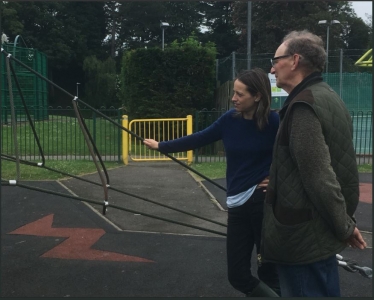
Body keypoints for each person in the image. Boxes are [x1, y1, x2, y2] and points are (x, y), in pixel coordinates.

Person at [144, 68, 280, 297]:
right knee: (237, 275)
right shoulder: (230, 120)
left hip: (262, 202)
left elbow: (296, 155)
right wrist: (162, 146)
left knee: (269, 271)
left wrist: (278, 180)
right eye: (233, 93)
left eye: (239, 94)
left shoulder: (274, 122)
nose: (233, 98)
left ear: (257, 96)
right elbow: (200, 137)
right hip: (236, 204)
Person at [260, 30, 367, 297]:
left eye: (276, 59)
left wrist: (344, 225)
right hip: (316, 231)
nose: (272, 68)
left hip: (302, 235)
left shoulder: (303, 105)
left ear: (294, 60)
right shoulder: (327, 95)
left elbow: (319, 174)